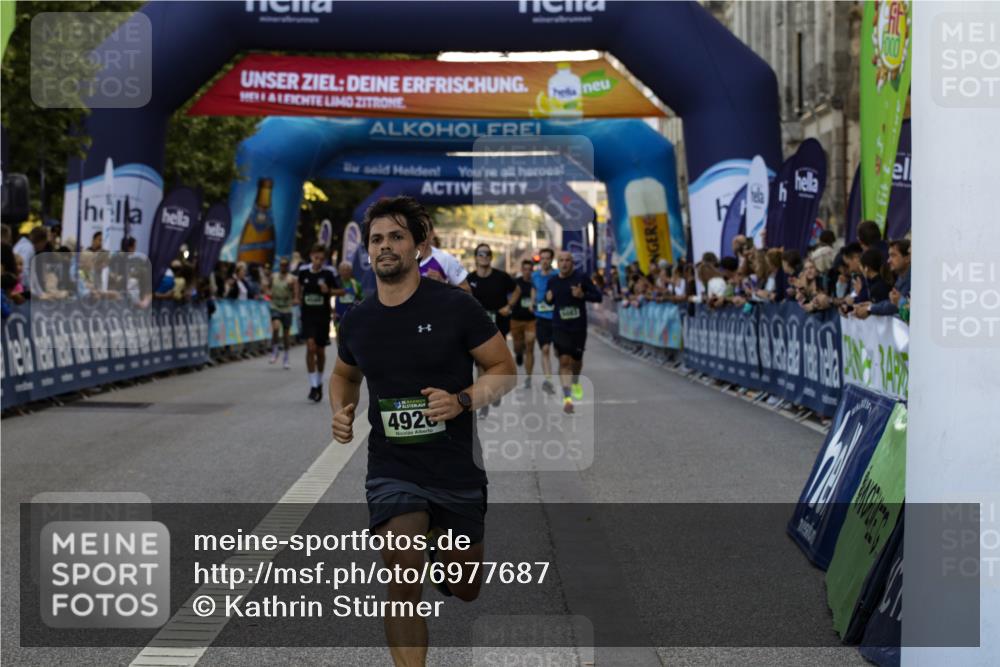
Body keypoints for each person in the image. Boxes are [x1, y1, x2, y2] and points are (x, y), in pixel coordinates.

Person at [329, 196, 515, 667]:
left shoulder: (456, 307)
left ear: (419, 245)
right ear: (367, 251)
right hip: (394, 466)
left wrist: (462, 400)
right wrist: (341, 410)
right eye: (377, 239)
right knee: (402, 572)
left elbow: (503, 369)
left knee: (466, 587)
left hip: (454, 467)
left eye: (396, 236)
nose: (385, 246)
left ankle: (438, 538)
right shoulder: (358, 319)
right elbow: (344, 375)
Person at [545, 250, 602, 414]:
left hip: (578, 328)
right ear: (557, 263)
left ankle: (575, 380)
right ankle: (567, 399)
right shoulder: (553, 281)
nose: (564, 263)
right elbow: (548, 301)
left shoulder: (581, 278)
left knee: (576, 360)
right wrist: (547, 299)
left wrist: (582, 294)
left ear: (572, 263)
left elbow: (598, 296)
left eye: (567, 260)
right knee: (564, 361)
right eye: (561, 260)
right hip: (559, 326)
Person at [467, 243, 519, 417]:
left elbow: (516, 290)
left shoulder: (501, 277)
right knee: (481, 364)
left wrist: (509, 306)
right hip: (477, 327)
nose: (484, 256)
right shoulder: (469, 279)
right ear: (476, 257)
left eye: (487, 253)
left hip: (499, 326)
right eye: (480, 254)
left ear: (491, 256)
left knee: (496, 363)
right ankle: (485, 402)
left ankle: (494, 390)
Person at [295, 243, 345, 402]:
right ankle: (313, 385)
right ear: (311, 256)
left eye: (322, 259)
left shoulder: (329, 272)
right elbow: (297, 282)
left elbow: (342, 290)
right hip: (307, 315)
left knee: (320, 352)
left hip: (322, 316)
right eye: (316, 258)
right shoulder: (303, 271)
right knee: (311, 347)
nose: (319, 261)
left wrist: (329, 291)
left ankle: (319, 381)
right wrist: (297, 296)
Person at [530, 247, 558, 395]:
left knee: (559, 352)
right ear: (540, 260)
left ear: (551, 260)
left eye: (548, 258)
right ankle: (548, 380)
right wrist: (532, 302)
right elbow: (534, 289)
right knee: (545, 349)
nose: (545, 261)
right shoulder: (535, 275)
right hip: (541, 317)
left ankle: (564, 373)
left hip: (556, 318)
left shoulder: (557, 274)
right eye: (543, 258)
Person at [417, 217, 470, 291]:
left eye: (424, 229)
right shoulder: (402, 259)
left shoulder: (445, 259)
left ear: (432, 234)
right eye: (416, 229)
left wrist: (444, 284)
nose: (420, 233)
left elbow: (468, 291)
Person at [510, 258, 537, 388]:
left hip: (531, 320)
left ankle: (529, 378)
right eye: (525, 269)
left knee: (530, 347)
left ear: (532, 270)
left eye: (529, 270)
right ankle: (519, 354)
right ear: (521, 270)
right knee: (517, 346)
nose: (527, 272)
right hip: (516, 320)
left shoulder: (535, 283)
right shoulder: (515, 283)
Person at [269, 257, 296, 368]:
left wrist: (291, 288)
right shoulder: (274, 277)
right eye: (281, 265)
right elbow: (267, 288)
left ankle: (286, 357)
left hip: (287, 308)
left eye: (285, 265)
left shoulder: (292, 278)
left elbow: (295, 293)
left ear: (287, 267)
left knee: (286, 335)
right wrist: (267, 293)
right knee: (275, 327)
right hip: (275, 306)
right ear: (279, 266)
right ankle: (275, 349)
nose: (283, 267)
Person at [333, 260, 363, 331]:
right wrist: (333, 313)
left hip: (352, 315)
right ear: (339, 271)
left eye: (347, 270)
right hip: (339, 315)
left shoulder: (356, 284)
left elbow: (361, 299)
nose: (345, 272)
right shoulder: (336, 283)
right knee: (339, 334)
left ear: (351, 271)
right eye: (343, 270)